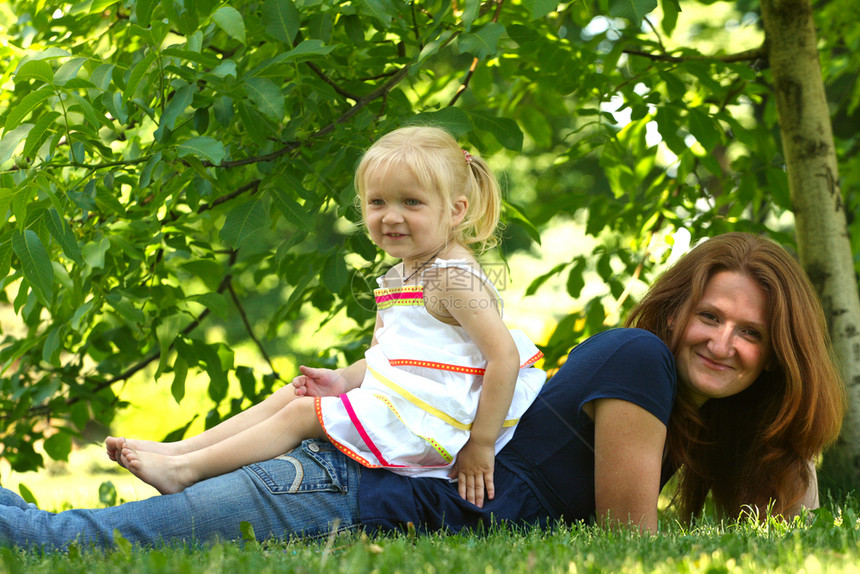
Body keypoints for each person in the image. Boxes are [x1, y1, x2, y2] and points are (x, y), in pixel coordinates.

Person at [0, 233, 844, 548]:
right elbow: (632, 544)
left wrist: (785, 448)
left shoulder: (679, 421)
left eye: (751, 334)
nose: (722, 342)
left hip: (339, 488)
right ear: (679, 312)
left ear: (779, 355)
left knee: (59, 540)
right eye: (711, 315)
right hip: (333, 491)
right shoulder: (636, 360)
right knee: (56, 546)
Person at [103, 126, 546, 506]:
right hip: (413, 399)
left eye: (411, 202)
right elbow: (388, 359)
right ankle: (178, 450)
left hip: (442, 421)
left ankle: (185, 472)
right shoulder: (401, 272)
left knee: (304, 415)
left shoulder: (452, 276)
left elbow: (503, 357)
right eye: (377, 202)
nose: (391, 217)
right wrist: (343, 379)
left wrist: (481, 444)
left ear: (455, 210)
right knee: (295, 398)